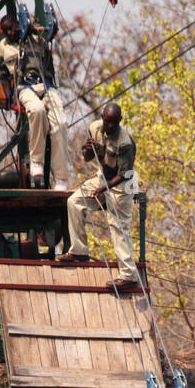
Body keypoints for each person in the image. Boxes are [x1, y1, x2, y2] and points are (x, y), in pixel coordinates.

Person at [61, 102, 140, 291]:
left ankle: (128, 275)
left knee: (118, 226)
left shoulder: (125, 143)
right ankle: (79, 251)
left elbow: (123, 174)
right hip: (102, 178)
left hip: (121, 185)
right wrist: (91, 149)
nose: (109, 126)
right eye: (107, 121)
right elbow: (87, 157)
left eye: (114, 123)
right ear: (102, 117)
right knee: (74, 201)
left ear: (119, 121)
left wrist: (104, 189)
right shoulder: (94, 128)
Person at [0, 13, 72, 190]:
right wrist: (9, 99)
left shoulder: (35, 38)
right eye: (5, 31)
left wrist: (33, 27)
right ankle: (36, 161)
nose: (10, 33)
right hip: (24, 86)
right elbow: (3, 75)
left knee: (60, 123)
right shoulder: (3, 46)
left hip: (45, 85)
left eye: (12, 28)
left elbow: (46, 37)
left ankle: (61, 177)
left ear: (19, 26)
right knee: (37, 111)